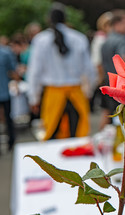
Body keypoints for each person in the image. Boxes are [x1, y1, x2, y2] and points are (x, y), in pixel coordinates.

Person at [27, 2, 96, 140]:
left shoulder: (41, 40)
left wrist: (33, 97)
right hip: (76, 96)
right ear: (65, 19)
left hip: (53, 96)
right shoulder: (78, 38)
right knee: (77, 139)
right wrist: (89, 91)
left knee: (52, 139)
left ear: (48, 20)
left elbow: (34, 72)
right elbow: (89, 70)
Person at [100, 10, 125, 129]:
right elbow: (124, 61)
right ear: (117, 24)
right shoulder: (122, 40)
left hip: (108, 83)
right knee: (123, 122)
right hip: (121, 87)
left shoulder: (106, 41)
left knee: (110, 116)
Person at [0, 44, 17, 152]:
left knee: (8, 117)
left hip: (4, 91)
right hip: (4, 90)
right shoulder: (5, 52)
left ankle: (11, 141)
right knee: (8, 117)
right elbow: (12, 70)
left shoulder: (5, 52)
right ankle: (11, 141)